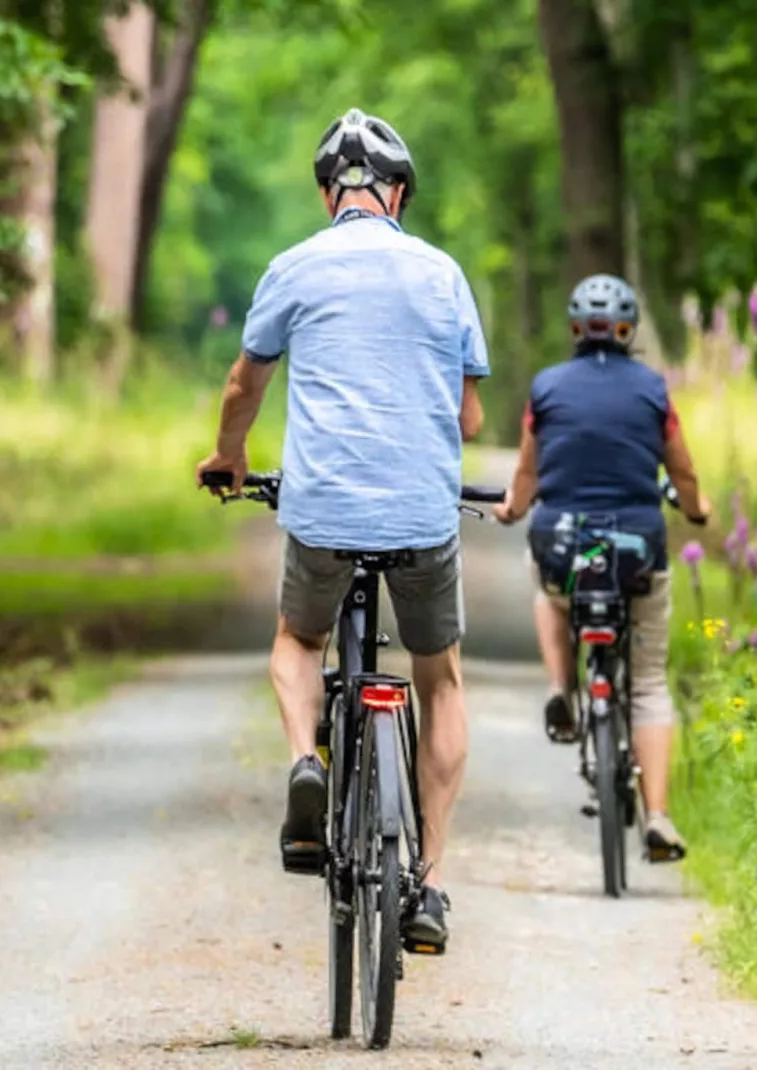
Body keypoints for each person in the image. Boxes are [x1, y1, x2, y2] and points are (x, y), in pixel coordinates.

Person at [195, 108, 488, 950]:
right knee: (441, 680)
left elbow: (241, 387)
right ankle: (429, 885)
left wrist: (230, 457)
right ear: (398, 194)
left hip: (321, 511)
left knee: (297, 641)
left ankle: (307, 762)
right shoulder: (443, 274)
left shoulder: (293, 267)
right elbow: (469, 417)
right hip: (423, 516)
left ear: (331, 195)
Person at [492, 274, 709, 862]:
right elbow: (683, 472)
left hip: (563, 544)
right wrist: (697, 508)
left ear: (573, 329)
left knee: (548, 592)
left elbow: (529, 473)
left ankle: (562, 686)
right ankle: (658, 816)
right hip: (638, 549)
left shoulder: (546, 388)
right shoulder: (653, 391)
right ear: (627, 329)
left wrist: (513, 509)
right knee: (649, 683)